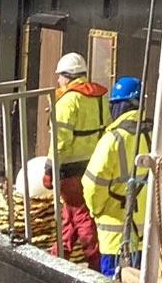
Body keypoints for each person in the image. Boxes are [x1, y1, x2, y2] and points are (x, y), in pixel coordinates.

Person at [84, 76, 150, 278]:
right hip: (144, 236)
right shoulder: (153, 136)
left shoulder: (112, 140)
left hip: (115, 238)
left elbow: (91, 186)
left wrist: (98, 210)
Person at [51, 53, 110, 263]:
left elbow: (59, 140)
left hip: (68, 167)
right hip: (93, 164)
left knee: (80, 215)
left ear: (68, 76)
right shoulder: (101, 97)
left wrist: (50, 168)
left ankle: (95, 261)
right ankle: (58, 255)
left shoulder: (67, 101)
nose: (58, 81)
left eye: (60, 76)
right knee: (71, 213)